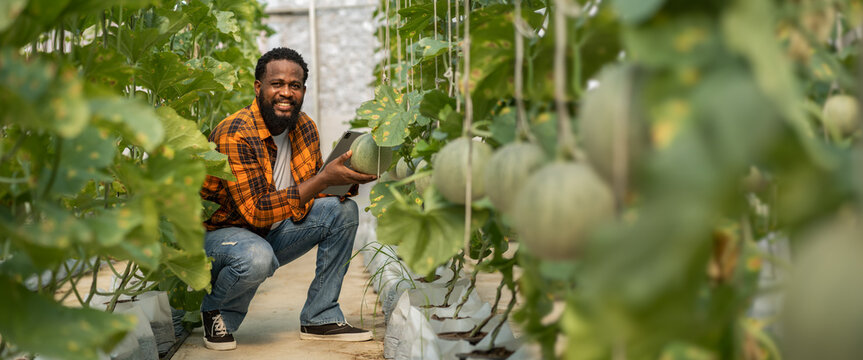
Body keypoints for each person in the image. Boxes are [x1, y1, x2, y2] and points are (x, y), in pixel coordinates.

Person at [198, 47, 378, 351]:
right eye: (277, 84)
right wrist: (323, 178)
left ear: (303, 90)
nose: (286, 93)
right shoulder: (235, 133)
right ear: (259, 88)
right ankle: (215, 312)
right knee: (257, 256)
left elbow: (313, 192)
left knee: (342, 211)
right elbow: (256, 211)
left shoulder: (304, 127)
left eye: (294, 86)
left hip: (271, 232)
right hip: (218, 239)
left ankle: (320, 317)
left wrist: (345, 179)